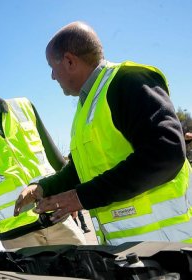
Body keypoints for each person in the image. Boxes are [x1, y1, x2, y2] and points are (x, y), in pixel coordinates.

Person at [14, 21, 192, 245]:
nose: (52, 76)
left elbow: (166, 153)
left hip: (172, 243)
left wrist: (81, 197)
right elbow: (82, 168)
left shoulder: (127, 81)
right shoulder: (86, 107)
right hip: (134, 250)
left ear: (69, 61)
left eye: (52, 66)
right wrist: (43, 188)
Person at [0, 57, 86, 250]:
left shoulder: (24, 107)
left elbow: (55, 159)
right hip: (17, 235)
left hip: (57, 216)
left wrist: (73, 195)